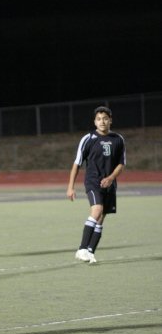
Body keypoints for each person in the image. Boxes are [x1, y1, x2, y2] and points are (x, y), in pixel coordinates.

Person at [66, 106, 126, 264]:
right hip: (93, 181)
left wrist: (111, 178)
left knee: (101, 218)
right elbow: (77, 164)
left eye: (105, 118)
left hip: (110, 184)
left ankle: (91, 252)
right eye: (99, 119)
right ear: (94, 121)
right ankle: (82, 248)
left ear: (110, 120)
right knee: (97, 210)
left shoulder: (118, 139)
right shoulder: (88, 139)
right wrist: (70, 187)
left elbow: (121, 164)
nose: (102, 122)